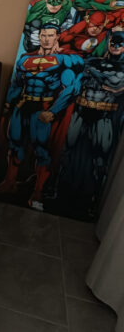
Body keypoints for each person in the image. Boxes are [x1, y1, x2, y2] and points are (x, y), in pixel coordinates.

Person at [0, 25, 85, 210]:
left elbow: (71, 88)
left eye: (50, 35)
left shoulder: (64, 60)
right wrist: (8, 104)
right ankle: (9, 182)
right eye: (43, 35)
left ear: (57, 37)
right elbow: (17, 84)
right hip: (23, 106)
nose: (46, 39)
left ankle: (37, 192)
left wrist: (53, 111)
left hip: (43, 109)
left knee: (42, 150)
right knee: (15, 145)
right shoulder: (25, 59)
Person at [58, 30, 124, 219]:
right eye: (114, 42)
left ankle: (92, 201)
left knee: (100, 158)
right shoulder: (92, 61)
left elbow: (113, 85)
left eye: (120, 44)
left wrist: (92, 72)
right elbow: (73, 79)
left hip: (104, 114)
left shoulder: (110, 67)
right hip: (81, 109)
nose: (116, 46)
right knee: (67, 149)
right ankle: (57, 189)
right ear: (109, 41)